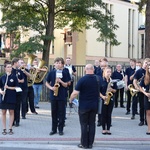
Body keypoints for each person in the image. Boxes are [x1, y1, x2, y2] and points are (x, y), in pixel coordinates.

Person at [69, 64, 100, 149]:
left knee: (84, 125)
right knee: (92, 124)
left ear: (85, 70)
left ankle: (84, 144)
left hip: (84, 106)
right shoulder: (97, 79)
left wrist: (70, 99)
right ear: (93, 70)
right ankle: (90, 143)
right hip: (94, 106)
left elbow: (75, 93)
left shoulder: (82, 80)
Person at [45, 57, 71, 136]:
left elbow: (68, 84)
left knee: (61, 113)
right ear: (54, 64)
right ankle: (54, 129)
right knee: (54, 113)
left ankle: (60, 129)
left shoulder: (65, 72)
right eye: (57, 63)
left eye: (60, 63)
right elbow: (46, 82)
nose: (58, 64)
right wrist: (51, 88)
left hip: (62, 95)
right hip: (54, 95)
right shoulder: (52, 72)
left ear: (62, 64)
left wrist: (61, 81)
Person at [0, 60, 18, 135]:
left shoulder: (14, 77)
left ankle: (10, 128)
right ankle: (4, 128)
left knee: (11, 112)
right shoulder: (2, 77)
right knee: (3, 112)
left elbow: (17, 87)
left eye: (10, 67)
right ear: (5, 68)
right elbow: (0, 87)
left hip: (11, 96)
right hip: (4, 97)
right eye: (8, 67)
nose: (10, 68)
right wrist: (1, 91)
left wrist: (8, 87)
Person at [132, 58, 150, 126]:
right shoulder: (139, 71)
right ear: (143, 63)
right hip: (141, 91)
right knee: (142, 106)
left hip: (148, 92)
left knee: (148, 108)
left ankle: (147, 120)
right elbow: (135, 81)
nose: (147, 65)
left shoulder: (149, 71)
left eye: (148, 64)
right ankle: (142, 120)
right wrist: (137, 87)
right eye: (146, 63)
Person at [100, 67, 117, 135]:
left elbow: (115, 90)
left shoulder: (113, 81)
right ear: (104, 73)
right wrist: (103, 96)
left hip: (111, 98)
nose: (109, 73)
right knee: (103, 114)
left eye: (110, 72)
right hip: (103, 99)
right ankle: (103, 129)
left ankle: (108, 129)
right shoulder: (101, 81)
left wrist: (112, 90)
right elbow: (98, 91)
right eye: (107, 72)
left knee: (109, 114)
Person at [11, 58, 24, 126]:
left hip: (18, 91)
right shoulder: (11, 71)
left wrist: (19, 80)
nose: (19, 64)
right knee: (12, 107)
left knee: (18, 106)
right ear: (15, 63)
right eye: (18, 62)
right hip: (12, 91)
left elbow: (23, 80)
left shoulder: (20, 71)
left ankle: (17, 121)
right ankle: (12, 121)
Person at [140, 64, 150, 134]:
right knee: (148, 112)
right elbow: (140, 87)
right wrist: (145, 93)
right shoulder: (145, 77)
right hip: (147, 96)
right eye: (149, 68)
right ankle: (149, 128)